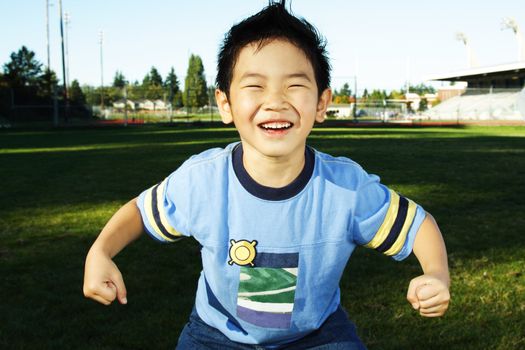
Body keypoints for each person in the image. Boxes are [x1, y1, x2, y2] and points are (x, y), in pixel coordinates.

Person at [83, 2, 450, 348]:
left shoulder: (346, 189)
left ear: (321, 103)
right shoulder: (203, 181)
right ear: (225, 104)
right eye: (255, 85)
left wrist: (436, 274)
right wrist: (100, 252)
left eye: (294, 85)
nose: (275, 100)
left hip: (317, 334)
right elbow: (141, 213)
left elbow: (418, 224)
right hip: (216, 334)